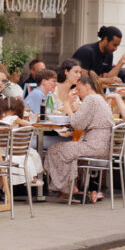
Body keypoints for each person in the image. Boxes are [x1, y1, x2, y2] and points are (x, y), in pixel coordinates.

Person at [43, 73, 114, 202]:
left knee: (55, 149)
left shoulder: (91, 99)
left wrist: (67, 104)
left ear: (87, 86)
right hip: (101, 145)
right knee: (62, 148)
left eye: (79, 89)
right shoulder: (99, 98)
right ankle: (67, 188)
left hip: (93, 146)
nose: (78, 92)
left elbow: (77, 124)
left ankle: (69, 189)